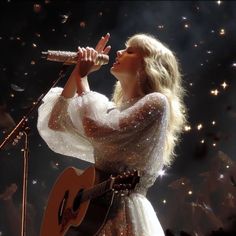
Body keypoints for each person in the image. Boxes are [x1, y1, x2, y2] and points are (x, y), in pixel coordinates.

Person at [37, 32, 187, 235]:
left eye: (130, 51)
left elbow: (97, 130)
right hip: (97, 213)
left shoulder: (157, 102)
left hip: (125, 213)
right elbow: (57, 121)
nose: (119, 51)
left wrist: (83, 76)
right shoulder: (113, 111)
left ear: (148, 65)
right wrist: (78, 72)